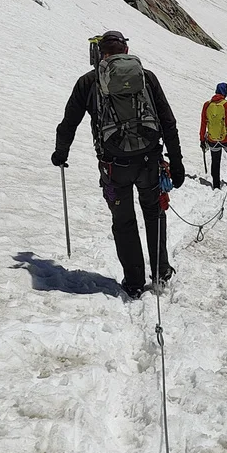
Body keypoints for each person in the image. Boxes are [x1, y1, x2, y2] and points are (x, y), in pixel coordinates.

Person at [53, 30, 184, 300]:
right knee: (154, 214)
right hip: (150, 162)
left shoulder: (88, 82)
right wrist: (177, 161)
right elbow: (168, 122)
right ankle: (160, 271)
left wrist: (61, 152)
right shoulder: (146, 78)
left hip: (114, 167)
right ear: (125, 51)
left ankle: (134, 282)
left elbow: (70, 122)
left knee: (123, 222)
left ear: (101, 53)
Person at [200, 83, 227, 191]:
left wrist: (202, 138)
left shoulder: (207, 105)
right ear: (225, 92)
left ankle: (216, 185)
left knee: (215, 161)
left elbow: (203, 123)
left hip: (212, 139)